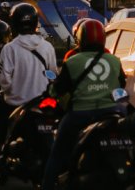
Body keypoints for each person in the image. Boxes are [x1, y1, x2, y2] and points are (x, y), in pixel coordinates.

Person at [42, 19, 126, 189]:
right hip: (112, 113)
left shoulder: (72, 61)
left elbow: (57, 89)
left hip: (80, 114)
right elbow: (121, 84)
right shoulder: (114, 60)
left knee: (57, 154)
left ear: (80, 39)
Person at [0, 3, 57, 156]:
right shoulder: (47, 47)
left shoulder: (10, 48)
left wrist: (11, 92)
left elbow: (4, 81)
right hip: (42, 103)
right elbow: (53, 75)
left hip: (16, 103)